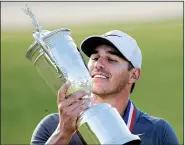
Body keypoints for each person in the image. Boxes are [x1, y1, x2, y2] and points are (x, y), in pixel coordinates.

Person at [30, 30, 179, 145]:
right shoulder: (51, 127)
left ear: (133, 75)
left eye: (111, 59)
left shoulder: (158, 132)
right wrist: (63, 133)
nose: (98, 64)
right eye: (94, 58)